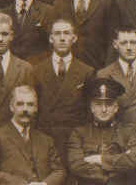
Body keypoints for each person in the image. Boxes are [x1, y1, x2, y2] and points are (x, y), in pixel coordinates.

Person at [33, 18, 95, 162]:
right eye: (57, 33)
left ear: (74, 38)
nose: (62, 38)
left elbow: (88, 112)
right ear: (50, 38)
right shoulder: (37, 70)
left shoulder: (87, 71)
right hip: (46, 137)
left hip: (74, 139)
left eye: (66, 33)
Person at [50, 0, 117, 69]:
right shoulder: (59, 5)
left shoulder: (107, 2)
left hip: (98, 66)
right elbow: (53, 40)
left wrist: (107, 68)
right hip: (69, 67)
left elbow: (113, 41)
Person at [97, 26, 136, 129]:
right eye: (123, 43)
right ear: (115, 45)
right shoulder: (104, 74)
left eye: (133, 42)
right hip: (118, 136)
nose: (129, 47)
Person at [2, 0, 53, 64]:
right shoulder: (4, 13)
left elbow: (51, 46)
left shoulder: (48, 11)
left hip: (37, 68)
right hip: (11, 69)